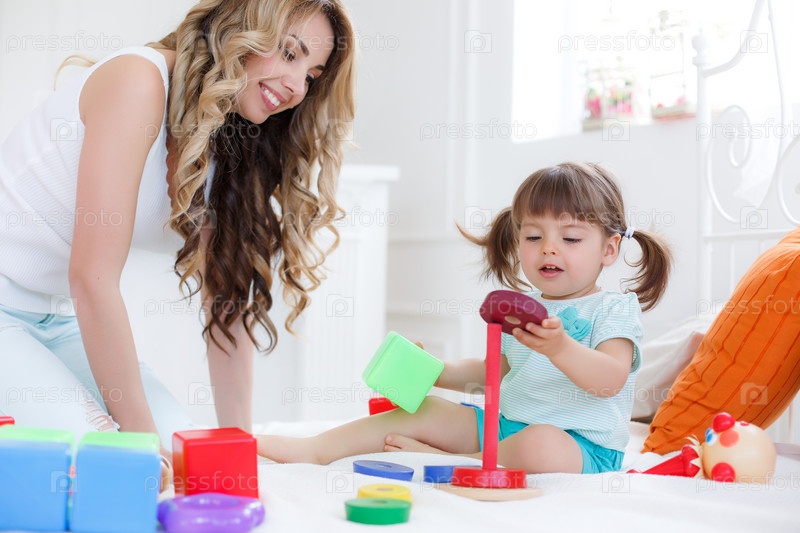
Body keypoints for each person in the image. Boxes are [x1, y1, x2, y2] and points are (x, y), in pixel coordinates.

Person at [0, 0, 356, 466]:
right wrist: (140, 446)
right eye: (289, 53)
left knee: (188, 455)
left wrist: (236, 448)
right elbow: (91, 279)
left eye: (311, 76)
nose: (296, 87)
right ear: (240, 29)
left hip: (58, 320)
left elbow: (226, 302)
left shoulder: (229, 136)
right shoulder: (138, 81)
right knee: (112, 460)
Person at [256, 162, 672, 474]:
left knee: (541, 443)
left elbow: (610, 380)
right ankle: (316, 448)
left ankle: (462, 462)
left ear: (608, 249)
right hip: (506, 426)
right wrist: (436, 371)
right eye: (533, 236)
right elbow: (496, 371)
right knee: (428, 409)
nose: (549, 248)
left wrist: (561, 347)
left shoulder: (614, 309)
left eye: (571, 238)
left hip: (580, 449)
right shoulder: (522, 308)